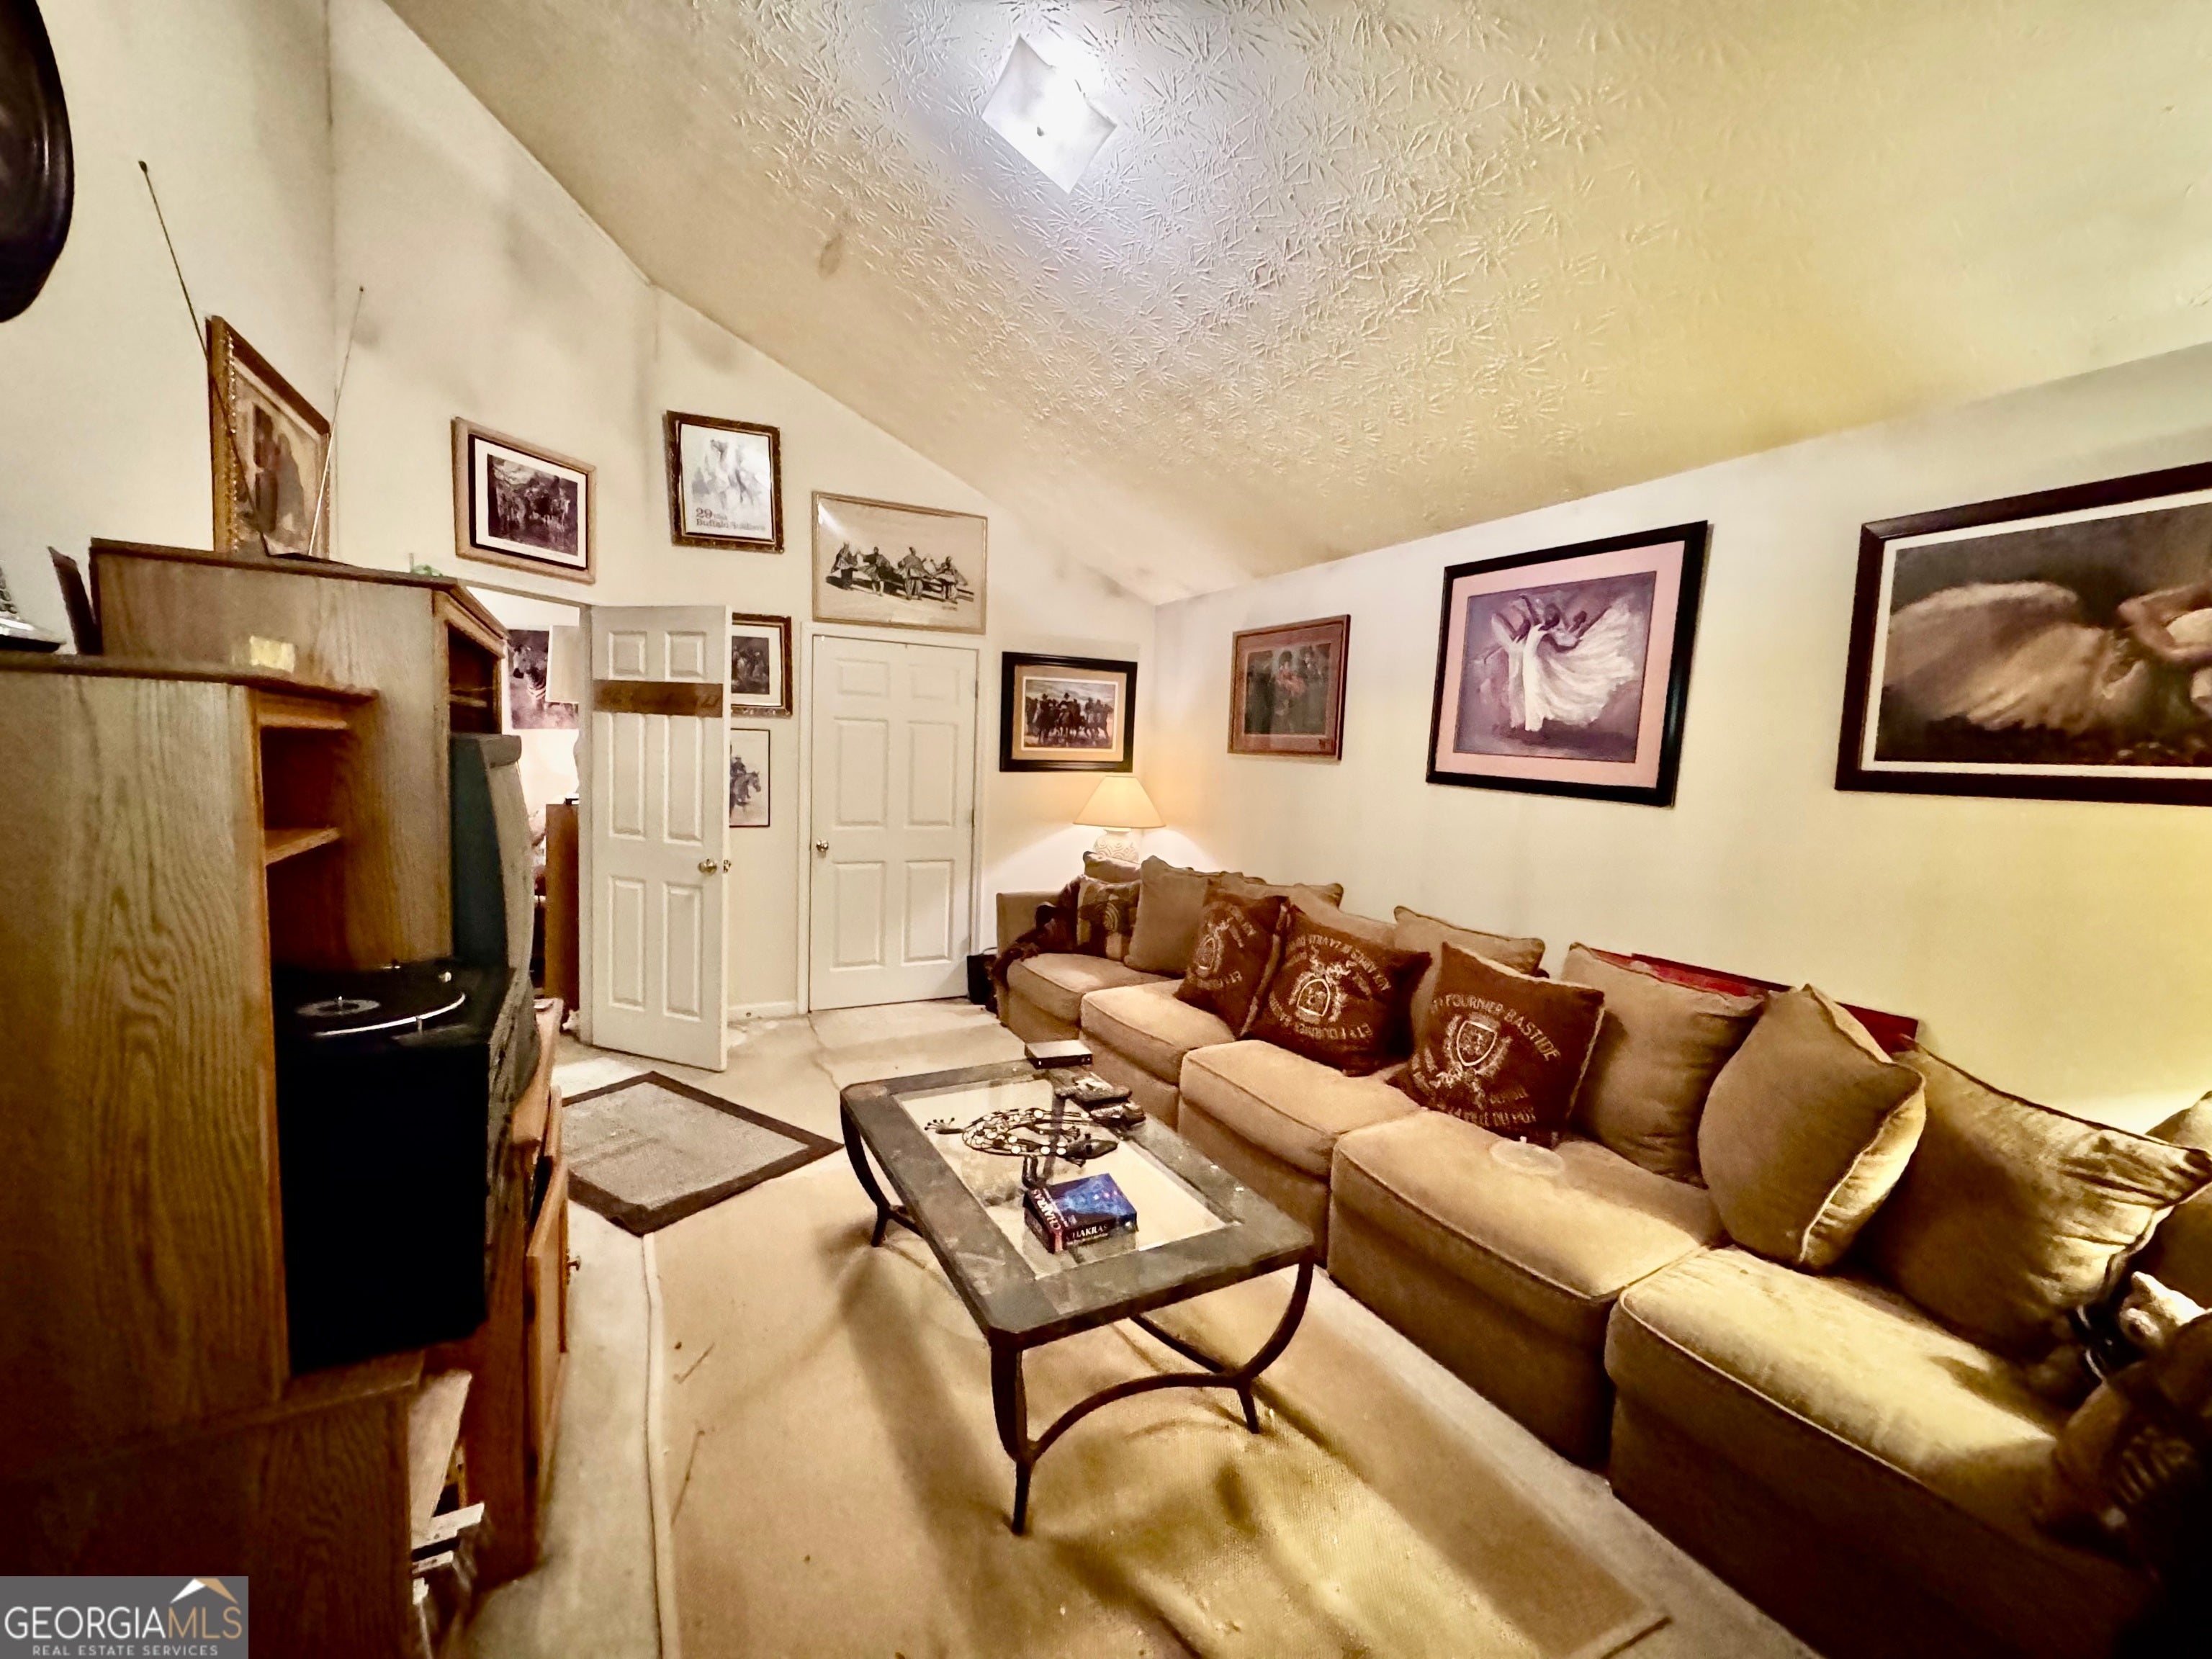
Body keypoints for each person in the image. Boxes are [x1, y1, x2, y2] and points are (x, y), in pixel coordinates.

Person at [1881, 577, 2212, 742]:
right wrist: (2164, 645)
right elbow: (2134, 608)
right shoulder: (2199, 600)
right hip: (2104, 656)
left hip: (2130, 685)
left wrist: (2168, 647)